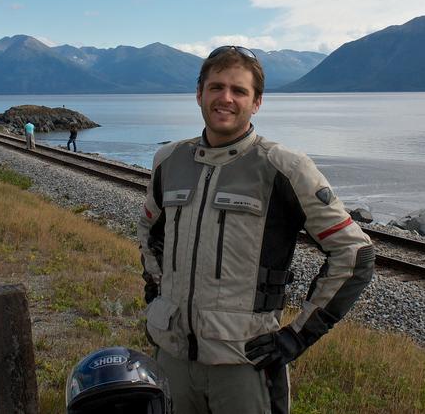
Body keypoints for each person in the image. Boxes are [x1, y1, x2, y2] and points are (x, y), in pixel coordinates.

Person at [138, 45, 375, 414]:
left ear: (257, 102)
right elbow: (149, 231)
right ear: (199, 93)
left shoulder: (283, 167)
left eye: (239, 91)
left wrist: (296, 336)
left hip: (244, 364)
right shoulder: (169, 161)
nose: (225, 99)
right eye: (216, 87)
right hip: (173, 357)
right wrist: (157, 296)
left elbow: (355, 252)